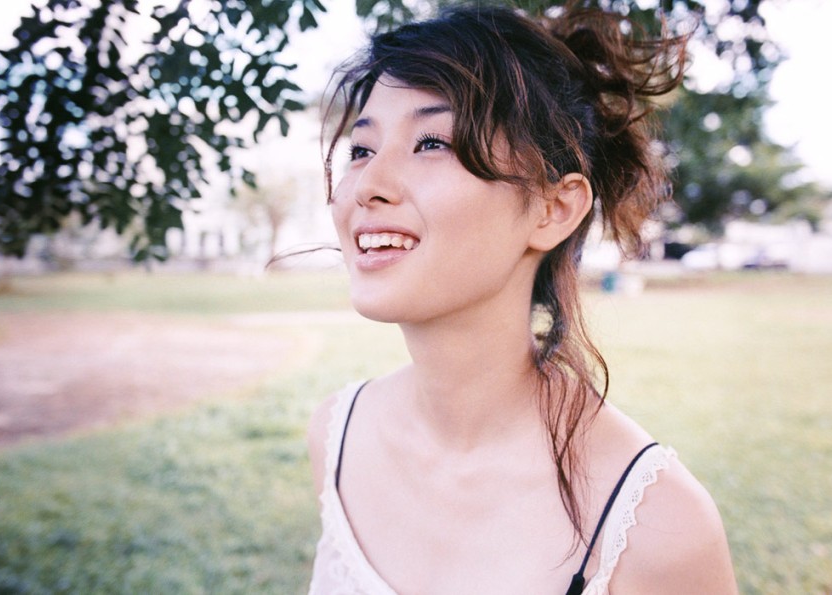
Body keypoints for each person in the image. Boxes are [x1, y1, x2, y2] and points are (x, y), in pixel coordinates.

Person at [307, 4, 738, 594]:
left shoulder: (657, 525)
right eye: (361, 150)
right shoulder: (337, 436)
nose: (367, 186)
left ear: (553, 208)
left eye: (431, 142)